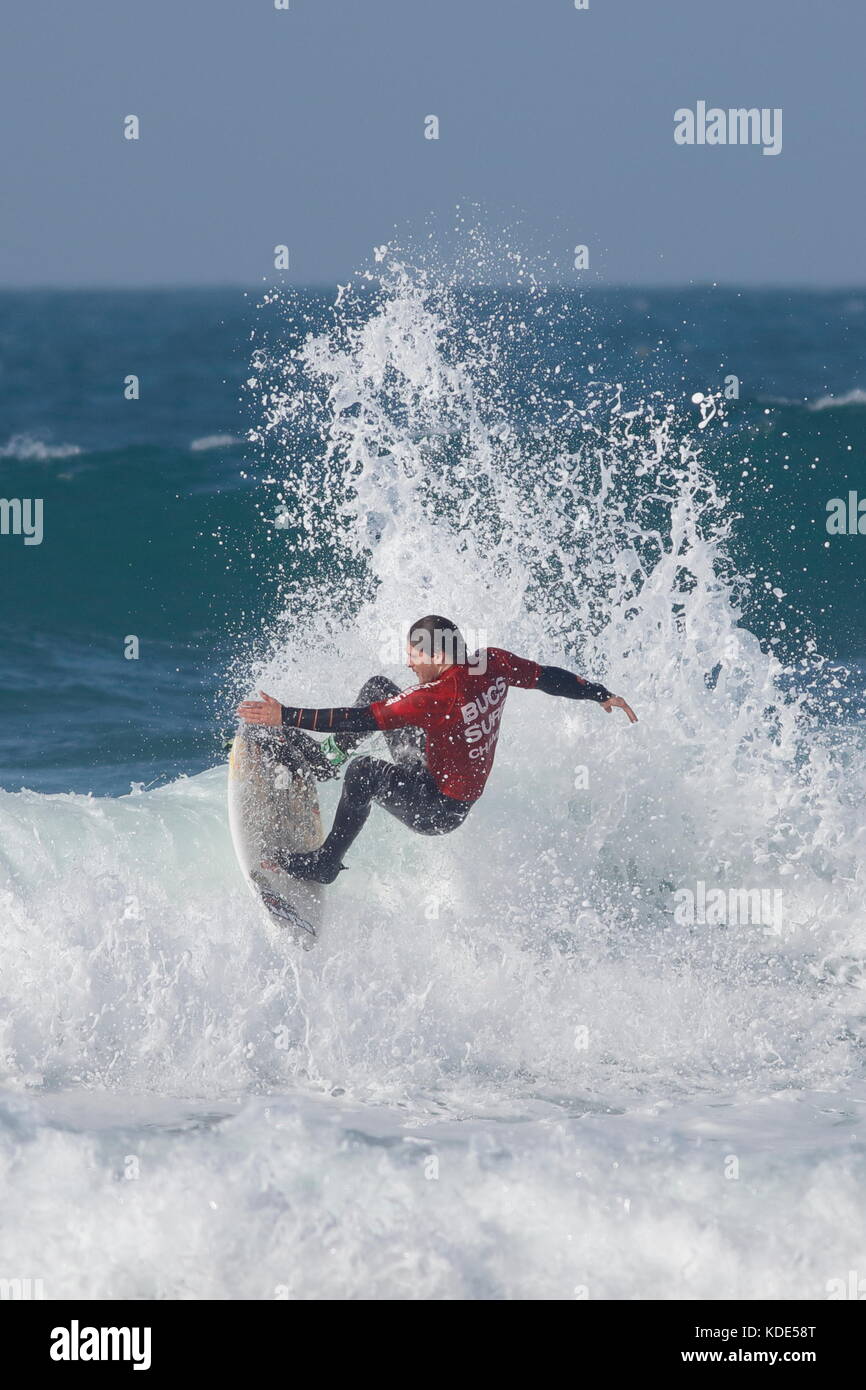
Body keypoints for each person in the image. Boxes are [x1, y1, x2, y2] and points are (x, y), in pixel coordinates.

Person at [236, 615, 637, 883]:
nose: (409, 665)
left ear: (435, 654)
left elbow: (357, 720)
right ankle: (326, 762)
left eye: (413, 656)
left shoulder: (438, 696)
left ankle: (325, 864)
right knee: (379, 687)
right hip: (429, 769)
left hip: (437, 807)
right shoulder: (491, 662)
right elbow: (547, 677)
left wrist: (283, 715)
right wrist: (599, 693)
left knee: (364, 772)